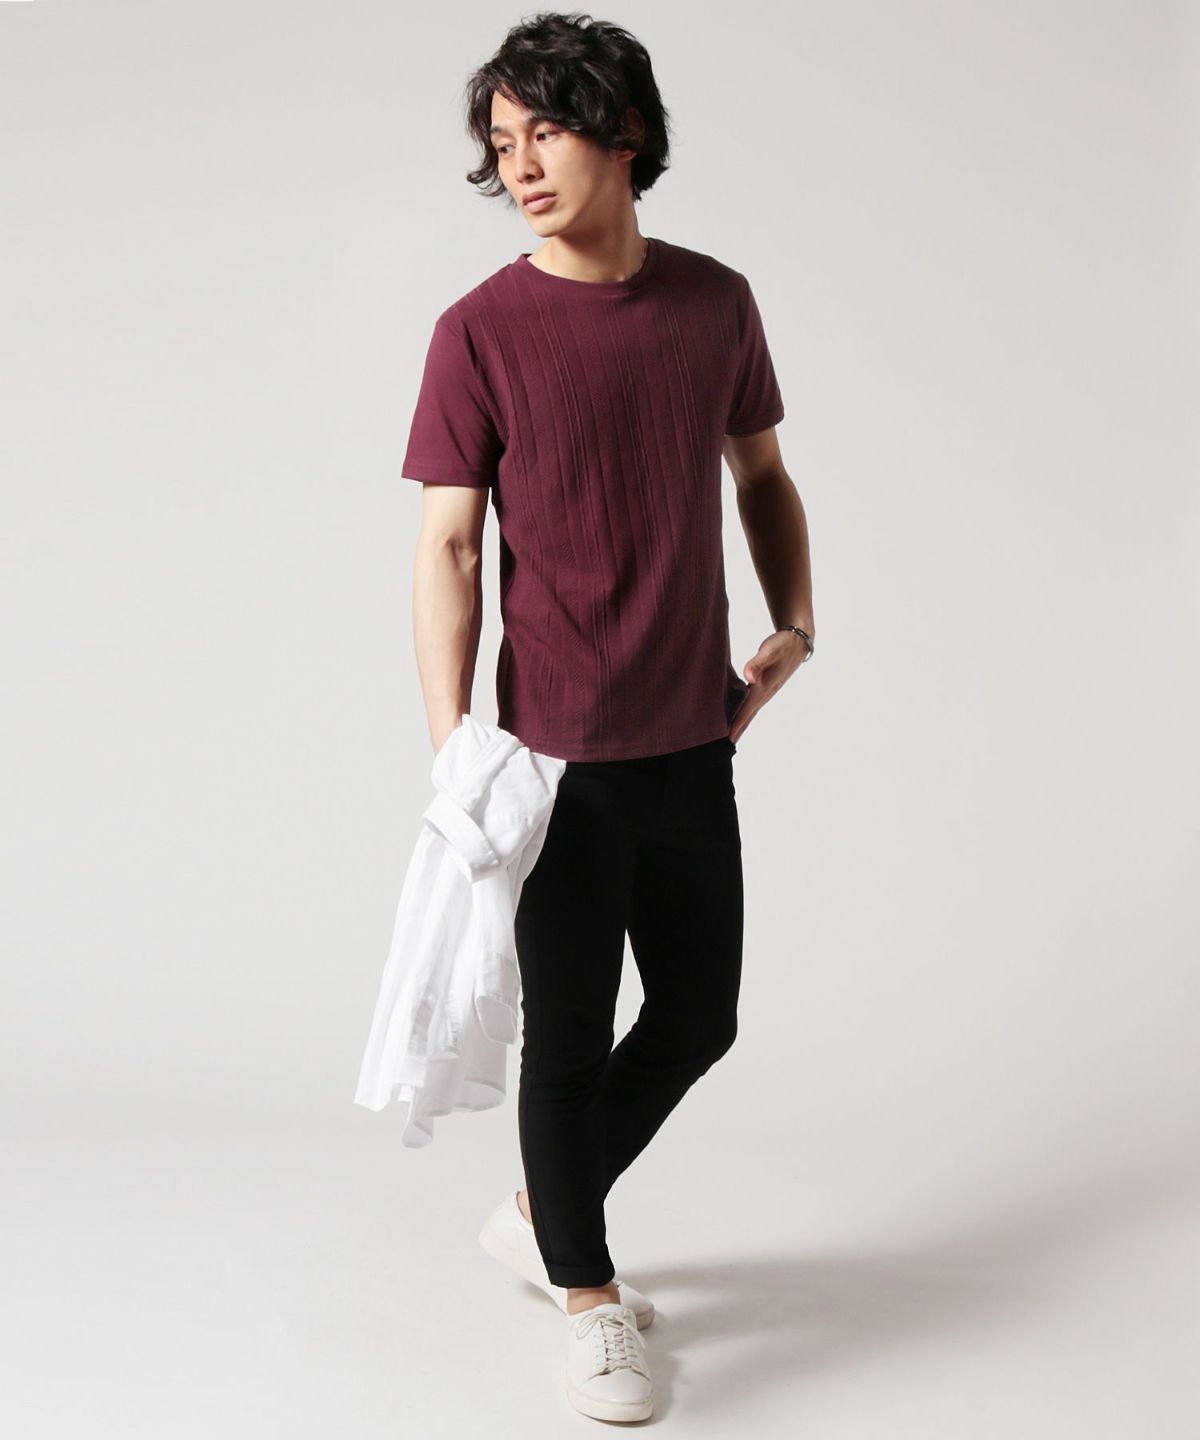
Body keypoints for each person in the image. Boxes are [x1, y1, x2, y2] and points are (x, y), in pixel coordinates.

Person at [402, 12, 815, 1423]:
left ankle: (540, 1210)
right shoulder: (478, 332)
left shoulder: (716, 303)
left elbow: (763, 474)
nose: (519, 165)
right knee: (569, 1040)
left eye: (546, 132)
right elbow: (450, 546)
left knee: (700, 1015)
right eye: (501, 143)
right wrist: (454, 739)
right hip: (551, 764)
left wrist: (795, 621)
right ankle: (587, 1296)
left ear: (624, 134)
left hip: (696, 738)